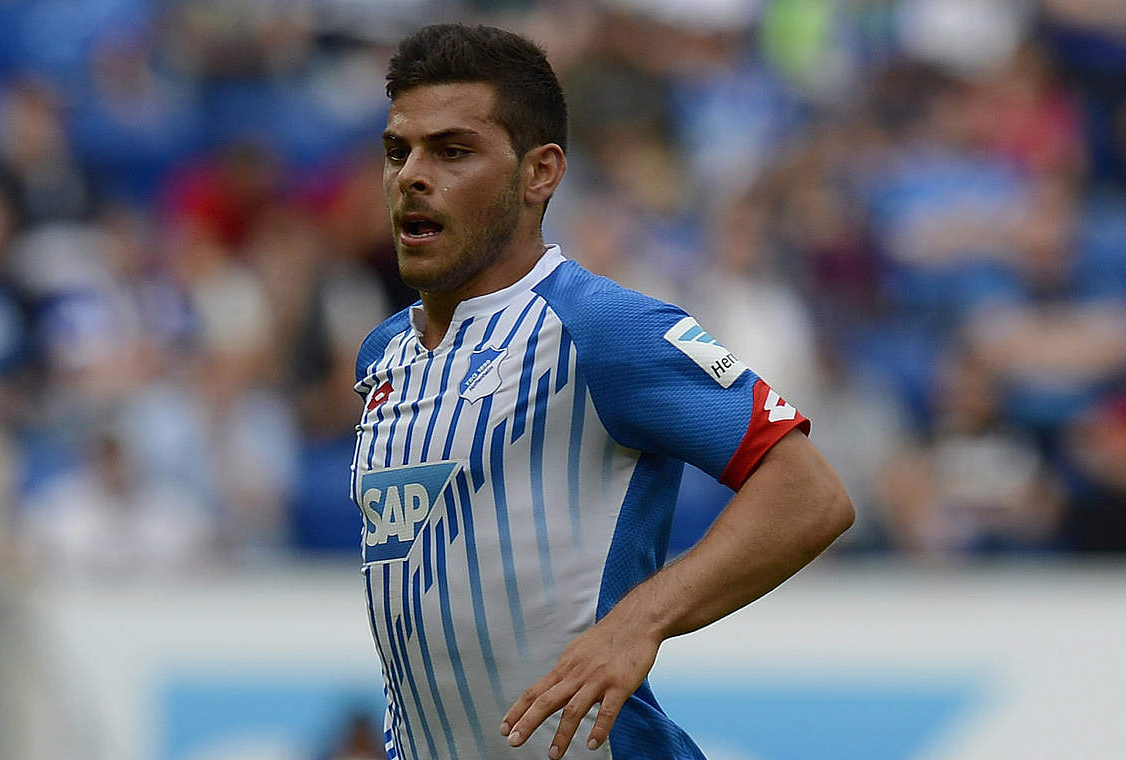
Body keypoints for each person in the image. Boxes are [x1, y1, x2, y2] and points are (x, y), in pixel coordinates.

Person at [351, 24, 853, 760]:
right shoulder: (381, 356)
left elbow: (810, 495)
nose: (412, 176)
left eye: (452, 151)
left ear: (540, 173)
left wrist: (637, 623)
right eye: (400, 151)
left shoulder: (602, 329)